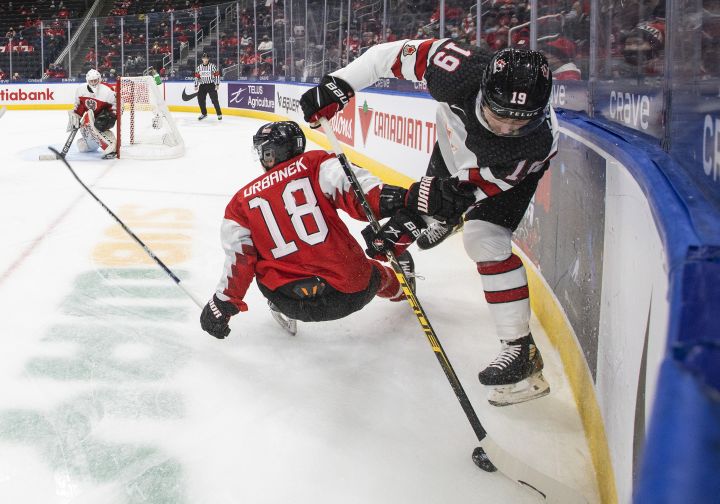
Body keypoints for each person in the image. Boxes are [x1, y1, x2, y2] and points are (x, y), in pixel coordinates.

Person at [299, 40, 558, 408]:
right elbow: (384, 57)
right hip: (452, 139)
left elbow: (457, 196)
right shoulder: (457, 68)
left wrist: (409, 222)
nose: (505, 127)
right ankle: (433, 226)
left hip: (491, 174)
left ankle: (521, 350)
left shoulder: (531, 148)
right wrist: (339, 85)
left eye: (519, 122)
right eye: (499, 113)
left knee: (484, 240)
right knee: (431, 204)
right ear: (482, 87)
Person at [200, 121, 423, 338]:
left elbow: (239, 262)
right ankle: (402, 290)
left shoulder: (240, 203)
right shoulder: (315, 164)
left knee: (264, 266)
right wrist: (404, 200)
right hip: (348, 293)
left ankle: (279, 296)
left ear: (269, 154)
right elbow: (361, 192)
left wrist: (222, 303)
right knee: (374, 272)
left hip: (288, 301)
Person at [67, 68, 117, 159]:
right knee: (83, 147)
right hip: (91, 118)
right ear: (87, 81)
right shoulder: (81, 90)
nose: (93, 82)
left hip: (103, 116)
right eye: (91, 81)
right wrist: (76, 115)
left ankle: (112, 145)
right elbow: (79, 106)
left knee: (98, 124)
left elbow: (116, 104)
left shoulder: (107, 90)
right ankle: (90, 144)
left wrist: (112, 116)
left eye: (95, 80)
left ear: (99, 79)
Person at [194, 52, 222, 120]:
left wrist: (217, 84)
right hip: (202, 86)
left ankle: (219, 114)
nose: (205, 59)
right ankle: (204, 114)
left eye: (206, 58)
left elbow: (217, 75)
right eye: (204, 58)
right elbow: (196, 76)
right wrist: (196, 85)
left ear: (208, 59)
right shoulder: (199, 67)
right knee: (200, 100)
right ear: (202, 59)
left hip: (211, 85)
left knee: (214, 100)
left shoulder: (212, 66)